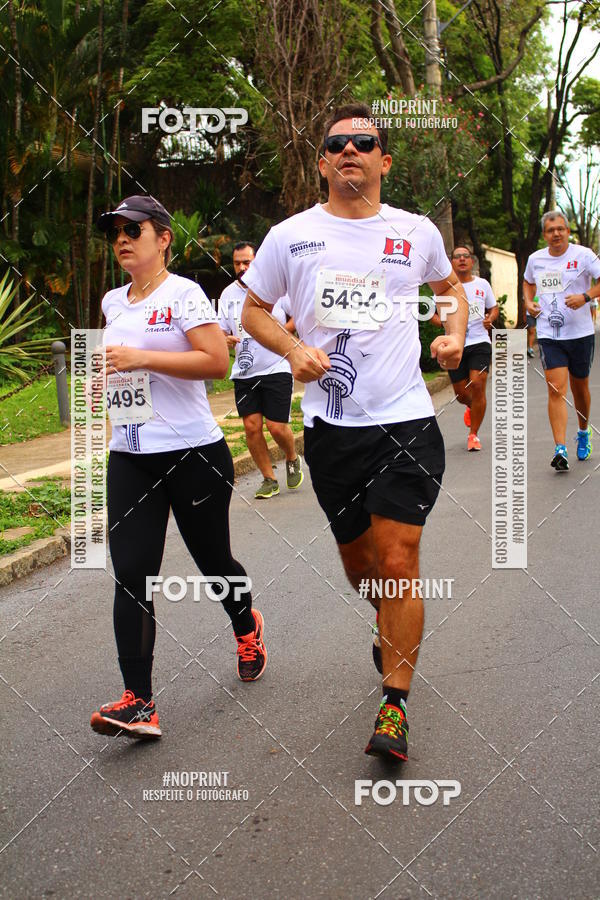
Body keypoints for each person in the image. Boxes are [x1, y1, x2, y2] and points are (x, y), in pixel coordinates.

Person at [240, 104, 468, 762]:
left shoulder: (414, 230)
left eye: (363, 142)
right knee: (362, 568)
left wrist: (450, 332)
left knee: (398, 562)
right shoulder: (291, 238)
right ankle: (383, 620)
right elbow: (255, 312)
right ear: (322, 163)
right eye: (336, 143)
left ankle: (394, 704)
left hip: (404, 421)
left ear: (383, 160)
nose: (350, 151)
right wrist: (290, 347)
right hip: (332, 433)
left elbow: (449, 290)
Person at [90, 195, 267, 741]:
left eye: (133, 230)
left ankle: (246, 625)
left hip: (192, 453)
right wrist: (105, 388)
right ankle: (140, 704)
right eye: (115, 231)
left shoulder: (185, 294)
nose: (122, 239)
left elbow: (215, 362)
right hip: (132, 457)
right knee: (132, 576)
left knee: (214, 563)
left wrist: (143, 358)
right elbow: (121, 373)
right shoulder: (111, 302)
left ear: (163, 238)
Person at [219, 242, 304, 499]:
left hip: (276, 364)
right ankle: (269, 478)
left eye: (247, 262)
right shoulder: (227, 295)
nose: (242, 267)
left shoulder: (275, 288)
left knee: (276, 426)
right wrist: (224, 339)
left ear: (256, 261)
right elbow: (221, 330)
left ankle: (291, 457)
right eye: (237, 263)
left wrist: (279, 334)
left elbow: (298, 316)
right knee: (252, 427)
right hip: (245, 371)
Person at [523, 210, 600, 471]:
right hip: (549, 334)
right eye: (550, 230)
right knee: (556, 389)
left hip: (580, 334)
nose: (556, 234)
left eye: (560, 229)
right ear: (544, 234)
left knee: (580, 389)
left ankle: (582, 431)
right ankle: (560, 448)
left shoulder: (584, 255)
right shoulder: (536, 259)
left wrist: (586, 297)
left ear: (568, 231)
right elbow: (527, 283)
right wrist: (528, 302)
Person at [432, 247, 498, 451]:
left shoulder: (482, 284)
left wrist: (490, 319)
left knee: (478, 384)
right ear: (451, 262)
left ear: (472, 262)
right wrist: (446, 322)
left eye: (466, 256)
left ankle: (474, 435)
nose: (462, 259)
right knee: (462, 394)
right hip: (455, 343)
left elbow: (493, 308)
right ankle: (473, 407)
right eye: (457, 257)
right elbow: (433, 315)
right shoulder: (444, 287)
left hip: (480, 341)